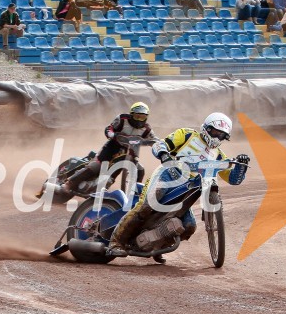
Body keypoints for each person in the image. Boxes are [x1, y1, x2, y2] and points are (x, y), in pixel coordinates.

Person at [107, 113, 249, 257]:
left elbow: (233, 179)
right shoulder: (187, 135)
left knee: (189, 226)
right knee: (146, 206)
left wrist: (241, 166)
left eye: (222, 135)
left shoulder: (219, 155)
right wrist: (164, 154)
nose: (217, 138)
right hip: (167, 176)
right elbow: (159, 144)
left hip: (185, 193)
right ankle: (115, 242)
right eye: (215, 132)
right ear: (206, 128)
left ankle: (157, 247)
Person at [62, 103, 157, 194]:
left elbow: (155, 139)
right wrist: (111, 134)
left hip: (130, 151)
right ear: (131, 115)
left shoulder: (147, 129)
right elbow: (109, 128)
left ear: (146, 117)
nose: (139, 120)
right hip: (113, 146)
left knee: (140, 170)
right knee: (97, 165)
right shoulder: (122, 119)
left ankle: (135, 193)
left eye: (142, 117)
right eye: (137, 116)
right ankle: (69, 183)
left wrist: (160, 144)